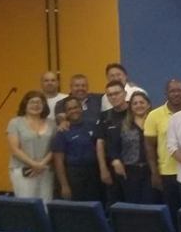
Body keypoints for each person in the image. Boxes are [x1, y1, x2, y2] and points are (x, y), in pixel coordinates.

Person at [144, 78, 181, 219]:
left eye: (179, 90)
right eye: (172, 91)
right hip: (167, 173)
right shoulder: (154, 115)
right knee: (172, 213)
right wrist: (154, 173)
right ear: (166, 93)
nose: (176, 94)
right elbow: (149, 147)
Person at [6, 90, 56, 201]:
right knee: (27, 205)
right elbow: (15, 149)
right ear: (25, 104)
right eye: (32, 102)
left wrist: (41, 164)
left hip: (46, 170)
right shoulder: (15, 123)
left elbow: (55, 148)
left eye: (39, 102)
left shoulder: (52, 123)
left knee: (46, 204)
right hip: (23, 170)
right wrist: (34, 164)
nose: (36, 105)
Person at [51, 96, 100, 202]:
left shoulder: (92, 125)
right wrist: (64, 185)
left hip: (94, 173)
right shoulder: (62, 131)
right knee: (78, 207)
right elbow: (58, 162)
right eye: (70, 109)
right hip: (73, 175)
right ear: (65, 113)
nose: (74, 111)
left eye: (76, 107)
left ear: (81, 108)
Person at [111, 90, 153, 204]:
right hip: (130, 172)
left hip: (152, 171)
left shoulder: (155, 123)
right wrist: (115, 160)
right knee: (133, 205)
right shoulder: (122, 125)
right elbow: (113, 147)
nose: (139, 105)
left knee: (151, 205)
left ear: (148, 104)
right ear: (130, 107)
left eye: (142, 102)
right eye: (135, 103)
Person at [95, 80, 129, 208]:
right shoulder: (105, 117)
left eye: (117, 93)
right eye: (110, 95)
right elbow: (100, 143)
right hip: (112, 169)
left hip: (134, 168)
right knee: (114, 206)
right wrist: (103, 169)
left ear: (125, 93)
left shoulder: (135, 111)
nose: (113, 97)